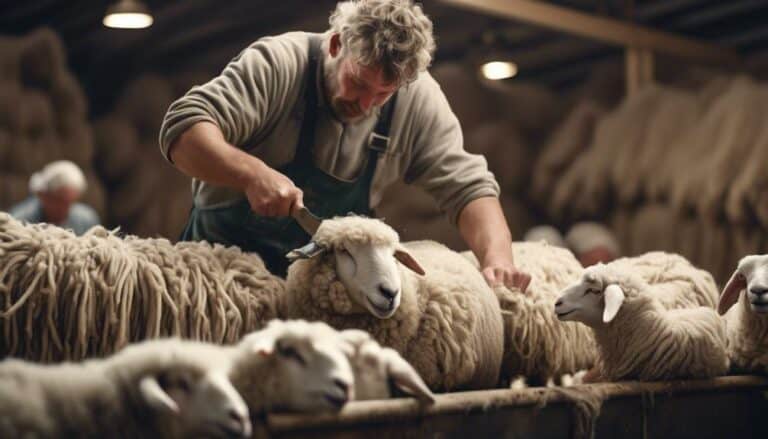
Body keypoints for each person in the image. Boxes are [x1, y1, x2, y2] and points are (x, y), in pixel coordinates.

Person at [159, 0, 531, 292]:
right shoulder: (279, 63)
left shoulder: (416, 98)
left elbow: (468, 187)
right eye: (358, 83)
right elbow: (184, 129)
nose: (367, 104)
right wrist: (251, 173)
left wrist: (497, 258)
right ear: (337, 43)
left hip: (316, 291)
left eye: (383, 94)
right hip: (219, 276)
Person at [8, 160, 100, 235]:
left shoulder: (86, 220)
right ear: (43, 196)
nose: (63, 208)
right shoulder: (19, 220)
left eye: (69, 202)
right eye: (58, 200)